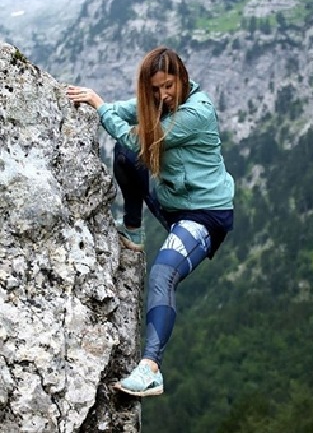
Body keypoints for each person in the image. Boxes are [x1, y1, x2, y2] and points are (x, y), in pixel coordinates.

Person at [65, 47, 235, 397]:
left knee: (162, 274)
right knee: (124, 157)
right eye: (155, 89)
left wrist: (99, 106)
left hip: (204, 215)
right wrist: (92, 102)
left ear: (183, 77)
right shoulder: (160, 102)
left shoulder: (196, 114)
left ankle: (150, 368)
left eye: (169, 86)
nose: (163, 95)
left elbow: (137, 138)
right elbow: (128, 113)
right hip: (173, 207)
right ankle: (133, 229)